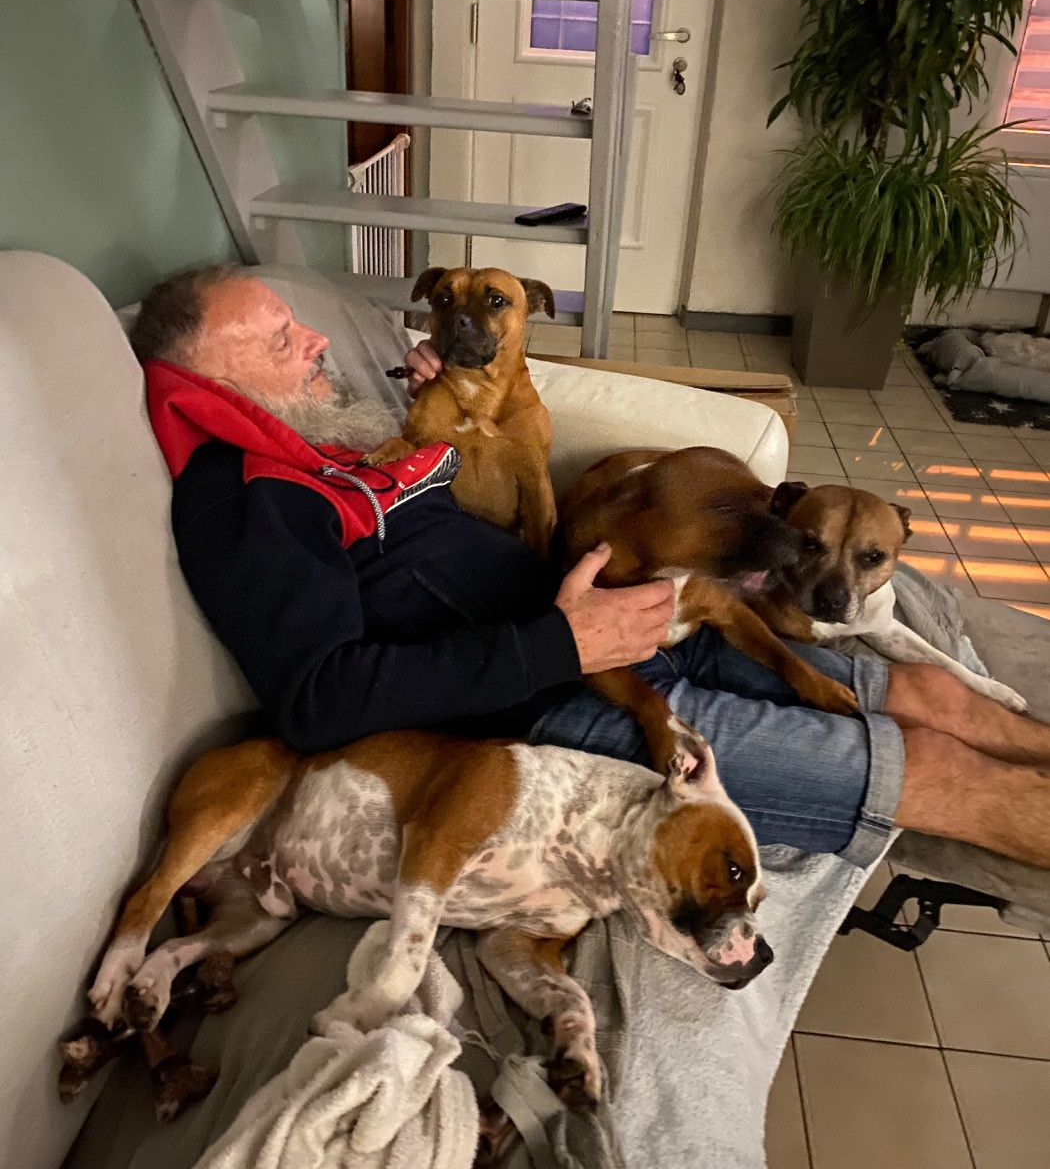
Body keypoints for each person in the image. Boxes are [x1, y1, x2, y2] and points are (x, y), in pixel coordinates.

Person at [131, 264, 1050, 872]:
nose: (318, 342)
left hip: (630, 615)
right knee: (931, 766)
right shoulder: (248, 496)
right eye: (280, 340)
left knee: (930, 692)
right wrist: (557, 645)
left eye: (299, 324)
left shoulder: (324, 441)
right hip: (558, 697)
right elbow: (320, 700)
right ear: (208, 379)